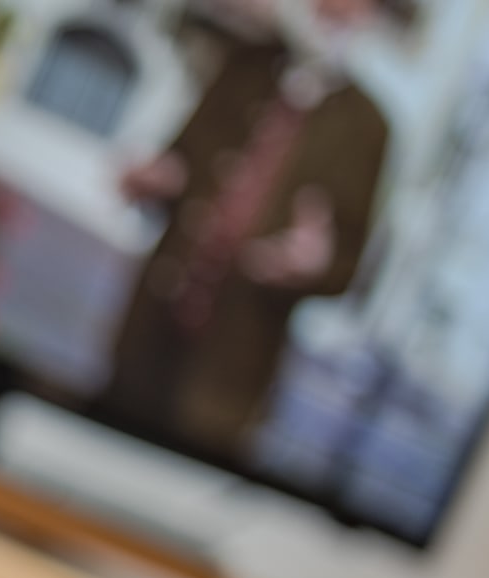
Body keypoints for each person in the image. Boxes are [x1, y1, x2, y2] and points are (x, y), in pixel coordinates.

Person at [97, 0, 395, 459]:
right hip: (150, 327)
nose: (336, 8)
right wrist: (157, 180)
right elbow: (182, 163)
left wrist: (310, 264)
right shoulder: (245, 64)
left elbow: (346, 269)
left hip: (231, 367)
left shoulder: (369, 128)